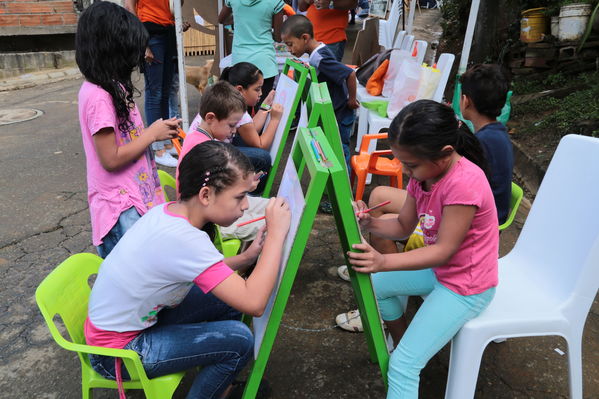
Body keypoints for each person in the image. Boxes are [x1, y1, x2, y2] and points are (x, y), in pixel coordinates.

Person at [85, 140, 291, 399]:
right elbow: (254, 302)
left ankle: (220, 384)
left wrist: (246, 258)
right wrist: (277, 234)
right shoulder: (185, 240)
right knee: (239, 341)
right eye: (239, 197)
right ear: (206, 195)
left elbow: (204, 270)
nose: (246, 206)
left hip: (121, 329)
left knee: (227, 302)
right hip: (118, 353)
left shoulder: (168, 212)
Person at [346, 100, 498, 398]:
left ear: (445, 154)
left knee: (401, 368)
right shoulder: (424, 176)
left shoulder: (465, 184)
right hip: (441, 273)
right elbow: (403, 226)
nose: (405, 170)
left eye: (411, 164)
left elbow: (444, 250)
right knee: (377, 286)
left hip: (466, 286)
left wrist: (383, 260)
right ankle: (409, 346)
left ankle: (409, 358)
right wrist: (369, 224)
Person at [76, 1, 179, 259]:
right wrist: (151, 135)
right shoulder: (99, 96)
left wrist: (156, 130)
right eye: (129, 52)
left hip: (135, 194)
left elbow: (129, 134)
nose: (135, 60)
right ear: (110, 50)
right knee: (138, 277)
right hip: (121, 207)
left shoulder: (112, 86)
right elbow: (110, 159)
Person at [181, 81, 271, 241]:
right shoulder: (204, 149)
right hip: (209, 220)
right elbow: (214, 196)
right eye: (231, 125)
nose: (234, 130)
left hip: (214, 207)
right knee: (272, 224)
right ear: (211, 118)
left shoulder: (200, 137)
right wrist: (247, 186)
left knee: (273, 207)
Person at [281, 14, 359, 167]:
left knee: (341, 154)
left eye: (290, 44)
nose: (289, 50)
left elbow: (350, 73)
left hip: (341, 112)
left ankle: (344, 189)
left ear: (305, 38)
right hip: (335, 110)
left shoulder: (319, 57)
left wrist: (351, 100)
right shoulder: (317, 52)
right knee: (334, 151)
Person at [125, 0, 179, 167]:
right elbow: (129, 6)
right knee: (154, 93)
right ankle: (157, 149)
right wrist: (142, 43)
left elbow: (174, 7)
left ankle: (167, 143)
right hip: (150, 34)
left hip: (167, 31)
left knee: (164, 91)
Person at [220, 62, 285, 194]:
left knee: (246, 141)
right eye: (257, 89)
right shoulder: (235, 106)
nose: (260, 93)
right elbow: (261, 144)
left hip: (214, 148)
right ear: (240, 90)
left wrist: (265, 106)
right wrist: (275, 119)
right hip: (212, 156)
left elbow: (252, 129)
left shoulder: (230, 98)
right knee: (263, 158)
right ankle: (254, 196)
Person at [460, 64, 513, 225]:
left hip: (479, 223)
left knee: (383, 201)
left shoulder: (482, 141)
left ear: (465, 101)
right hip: (491, 215)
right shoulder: (497, 133)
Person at [218, 0, 285, 109]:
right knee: (263, 109)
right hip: (265, 62)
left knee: (240, 110)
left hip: (240, 62)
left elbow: (221, 19)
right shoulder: (275, 2)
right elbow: (278, 37)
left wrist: (239, 18)